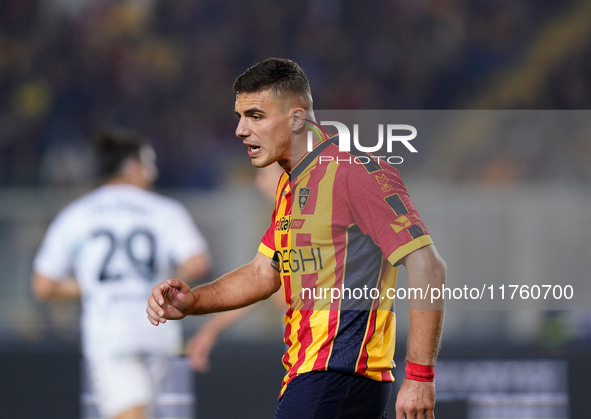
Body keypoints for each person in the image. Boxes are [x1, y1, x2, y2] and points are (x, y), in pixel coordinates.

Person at [146, 58, 446, 419]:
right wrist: (193, 301)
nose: (241, 130)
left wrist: (419, 376)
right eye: (240, 117)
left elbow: (428, 265)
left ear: (297, 118)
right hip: (315, 376)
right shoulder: (292, 184)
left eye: (255, 116)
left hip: (338, 376)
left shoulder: (355, 173)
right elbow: (262, 274)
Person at [33, 128, 210, 419]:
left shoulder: (76, 215)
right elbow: (197, 261)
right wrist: (163, 287)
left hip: (110, 332)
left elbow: (43, 285)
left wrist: (91, 287)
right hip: (159, 330)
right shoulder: (164, 210)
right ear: (131, 167)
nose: (152, 173)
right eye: (147, 164)